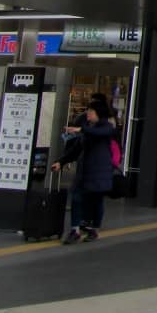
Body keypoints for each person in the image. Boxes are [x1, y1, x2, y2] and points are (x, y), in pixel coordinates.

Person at [52, 100, 116, 243]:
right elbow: (76, 149)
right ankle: (75, 230)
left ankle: (94, 228)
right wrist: (61, 162)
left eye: (91, 112)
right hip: (84, 171)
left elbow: (99, 133)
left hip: (100, 172)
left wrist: (80, 130)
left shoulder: (106, 127)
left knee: (96, 201)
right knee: (76, 198)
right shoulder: (87, 127)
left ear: (99, 114)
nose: (88, 114)